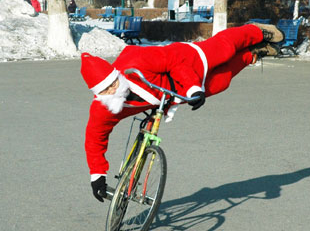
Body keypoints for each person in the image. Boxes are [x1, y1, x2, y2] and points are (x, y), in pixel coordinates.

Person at [81, 23, 284, 202]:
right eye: (106, 89)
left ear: (116, 74)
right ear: (98, 94)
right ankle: (252, 54)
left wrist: (193, 87)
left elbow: (175, 62)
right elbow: (94, 138)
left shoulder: (135, 60)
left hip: (186, 62)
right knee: (221, 82)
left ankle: (256, 32)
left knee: (224, 49)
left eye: (113, 83)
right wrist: (97, 175)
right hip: (174, 92)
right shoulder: (104, 107)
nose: (114, 90)